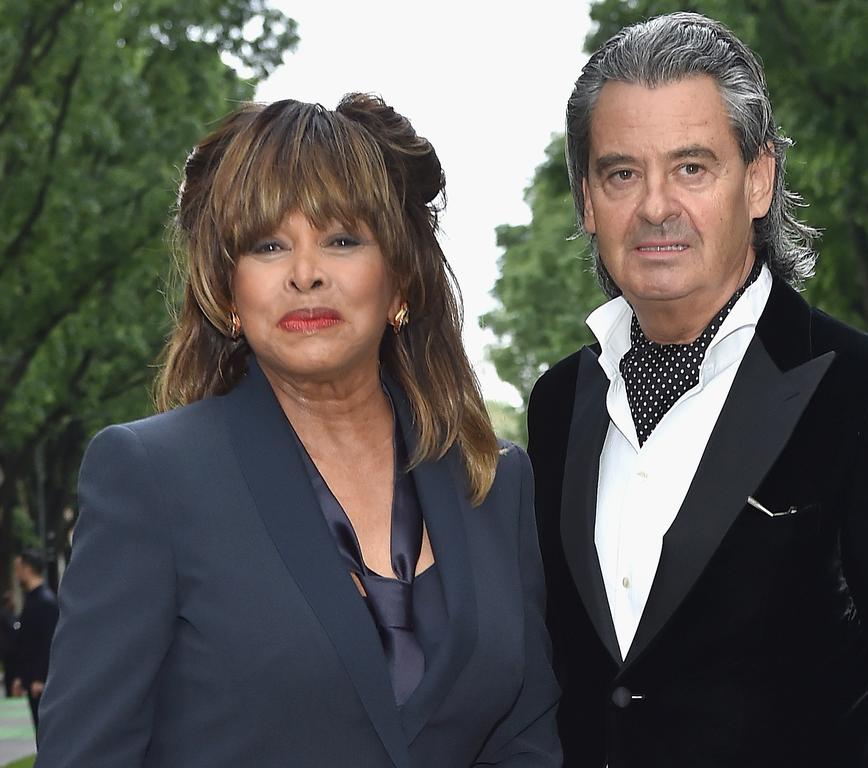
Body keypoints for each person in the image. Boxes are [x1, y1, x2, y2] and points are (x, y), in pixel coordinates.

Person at [527, 11, 868, 767]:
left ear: (758, 179)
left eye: (691, 167)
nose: (656, 206)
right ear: (587, 201)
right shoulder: (558, 405)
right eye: (623, 172)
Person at [37, 94, 561, 767]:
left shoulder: (495, 481)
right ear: (228, 292)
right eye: (268, 245)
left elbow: (527, 740)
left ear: (399, 279)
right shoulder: (149, 478)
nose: (305, 273)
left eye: (342, 239)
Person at [10, 550, 59, 733]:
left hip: (40, 683)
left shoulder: (44, 602)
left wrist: (40, 678)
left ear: (27, 568)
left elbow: (49, 642)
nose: (16, 574)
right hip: (33, 680)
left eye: (18, 569)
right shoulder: (35, 599)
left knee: (45, 733)